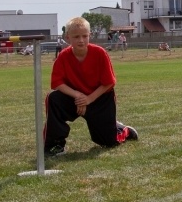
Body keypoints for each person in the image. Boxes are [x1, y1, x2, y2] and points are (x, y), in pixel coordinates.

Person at [44, 17, 138, 157]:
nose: (81, 40)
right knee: (53, 98)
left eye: (84, 36)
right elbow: (57, 83)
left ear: (90, 36)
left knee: (107, 142)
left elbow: (109, 82)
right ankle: (56, 145)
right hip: (75, 99)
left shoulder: (99, 53)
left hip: (99, 98)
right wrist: (78, 96)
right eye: (76, 37)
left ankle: (122, 130)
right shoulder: (63, 56)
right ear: (68, 38)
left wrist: (89, 99)